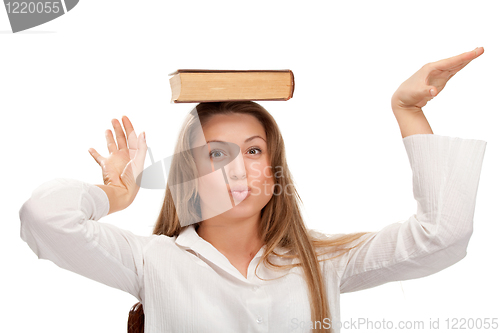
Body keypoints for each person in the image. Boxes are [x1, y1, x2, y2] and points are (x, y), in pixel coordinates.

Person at [19, 47, 487, 333]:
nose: (239, 169)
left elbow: (442, 235)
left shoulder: (322, 262)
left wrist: (407, 111)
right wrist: (113, 194)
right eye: (217, 154)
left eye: (254, 151)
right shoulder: (151, 260)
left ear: (273, 168)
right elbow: (45, 216)